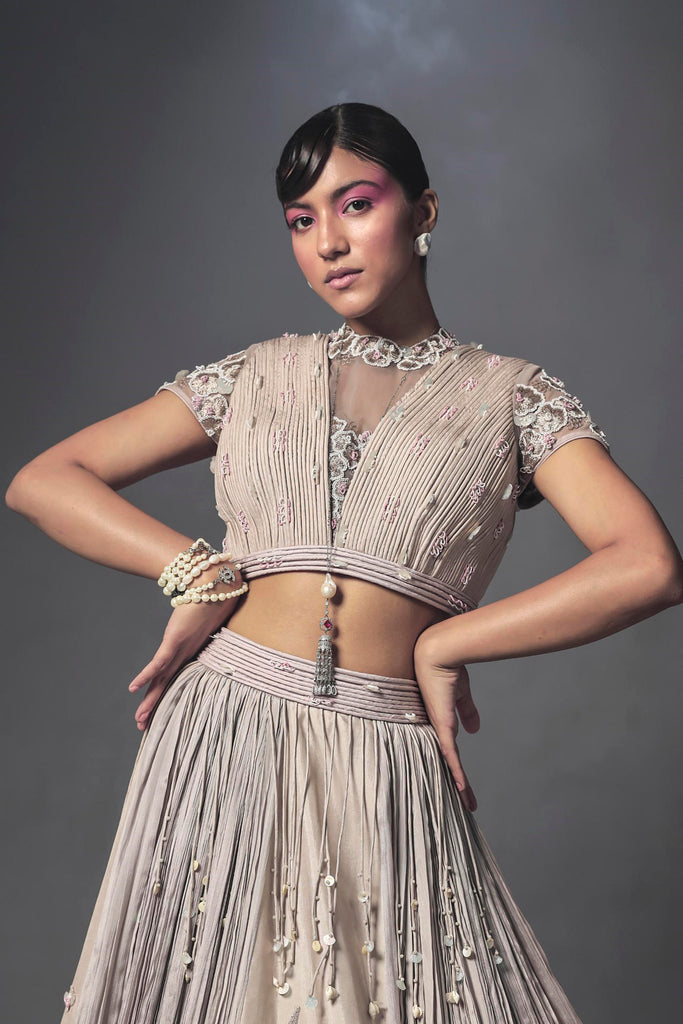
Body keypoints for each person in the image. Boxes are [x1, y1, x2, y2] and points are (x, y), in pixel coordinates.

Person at [6, 102, 682, 1024]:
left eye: (355, 204)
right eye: (300, 220)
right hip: (222, 735)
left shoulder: (512, 398)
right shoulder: (254, 374)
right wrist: (195, 570)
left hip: (384, 754)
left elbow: (647, 564)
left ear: (424, 211)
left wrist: (446, 644)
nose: (327, 241)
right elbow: (44, 480)